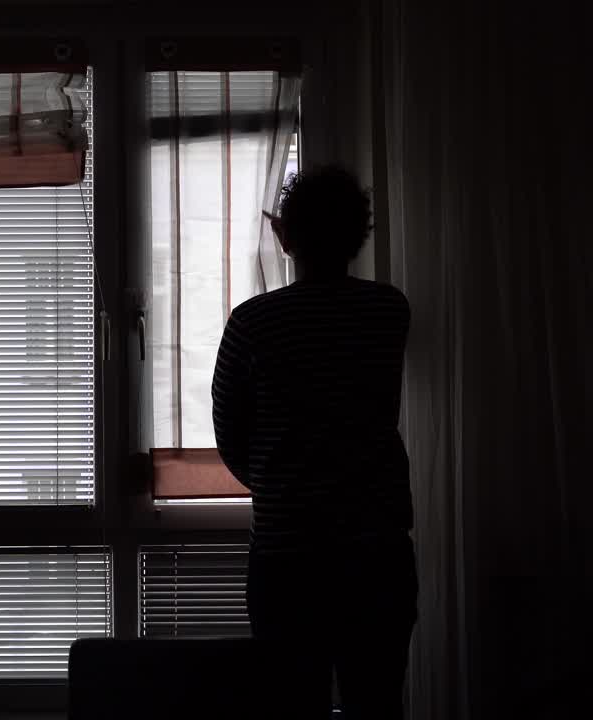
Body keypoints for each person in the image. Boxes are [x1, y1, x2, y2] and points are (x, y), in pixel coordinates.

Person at [212, 165, 417, 719]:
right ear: (359, 235)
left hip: (287, 559)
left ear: (283, 237)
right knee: (375, 703)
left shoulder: (252, 324)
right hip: (377, 552)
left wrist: (285, 485)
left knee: (290, 704)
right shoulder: (388, 310)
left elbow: (230, 436)